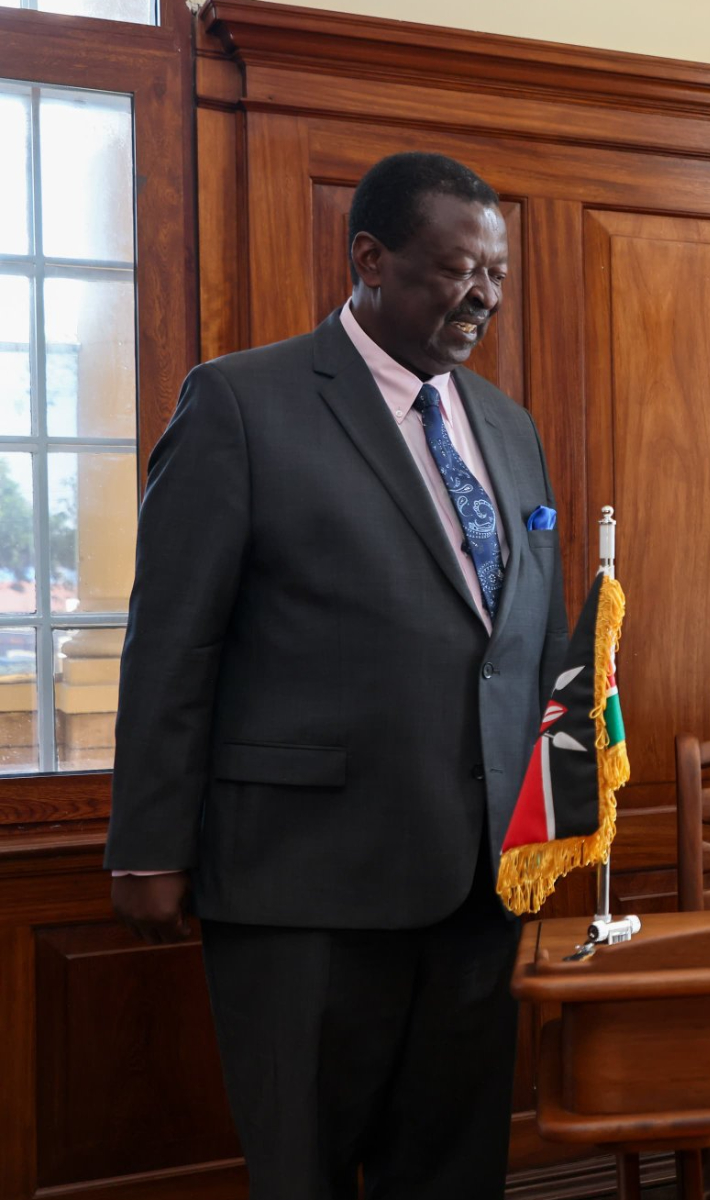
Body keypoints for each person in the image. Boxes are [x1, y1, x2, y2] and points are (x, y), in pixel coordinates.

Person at [103, 152, 568, 1199]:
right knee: (306, 1172)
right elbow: (173, 638)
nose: (484, 297)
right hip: (302, 886)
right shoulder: (239, 403)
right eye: (458, 271)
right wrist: (146, 844)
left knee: (453, 1173)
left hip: (477, 886)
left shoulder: (505, 424)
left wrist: (556, 810)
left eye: (496, 275)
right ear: (370, 259)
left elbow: (531, 634)